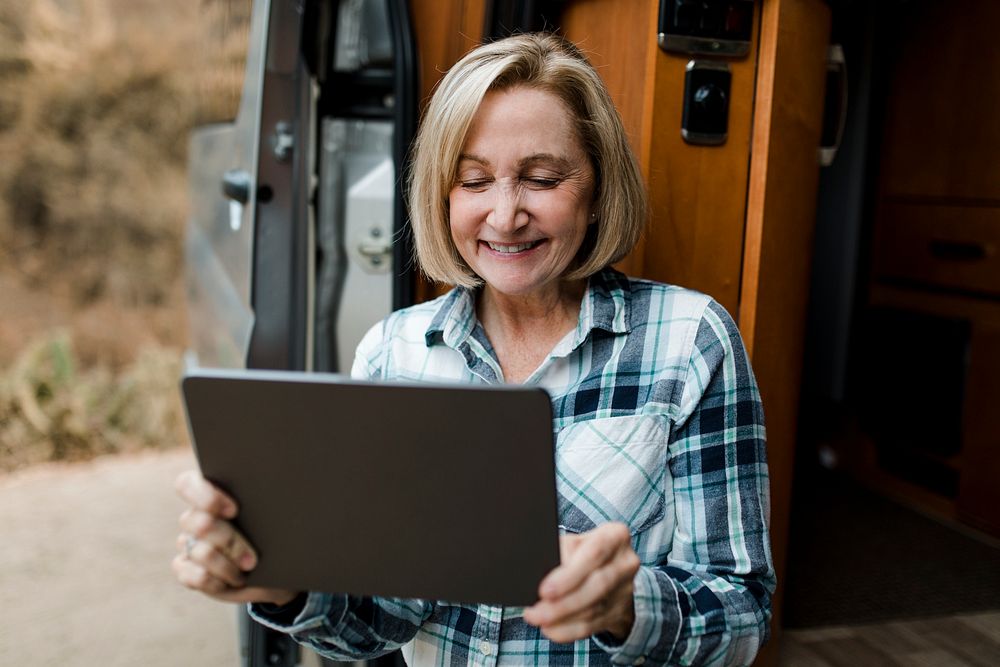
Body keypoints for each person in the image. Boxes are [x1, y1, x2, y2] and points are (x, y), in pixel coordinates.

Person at [173, 33, 774, 666]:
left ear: (596, 189)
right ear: (444, 194)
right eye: (474, 180)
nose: (505, 214)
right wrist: (286, 587)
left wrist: (628, 607)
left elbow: (743, 614)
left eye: (542, 178)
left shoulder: (689, 339)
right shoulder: (394, 352)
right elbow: (380, 621)